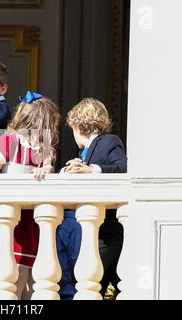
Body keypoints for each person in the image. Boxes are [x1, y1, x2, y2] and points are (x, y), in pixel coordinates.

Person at [0, 91, 61, 299]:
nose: (51, 130)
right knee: (16, 274)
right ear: (37, 122)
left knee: (36, 277)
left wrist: (45, 170)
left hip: (32, 217)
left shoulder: (44, 145)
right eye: (49, 124)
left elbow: (49, 166)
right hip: (12, 215)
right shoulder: (9, 140)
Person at [56, 97, 127, 300]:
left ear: (79, 125)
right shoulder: (83, 153)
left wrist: (92, 169)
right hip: (92, 230)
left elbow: (122, 168)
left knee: (91, 282)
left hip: (107, 231)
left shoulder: (109, 141)